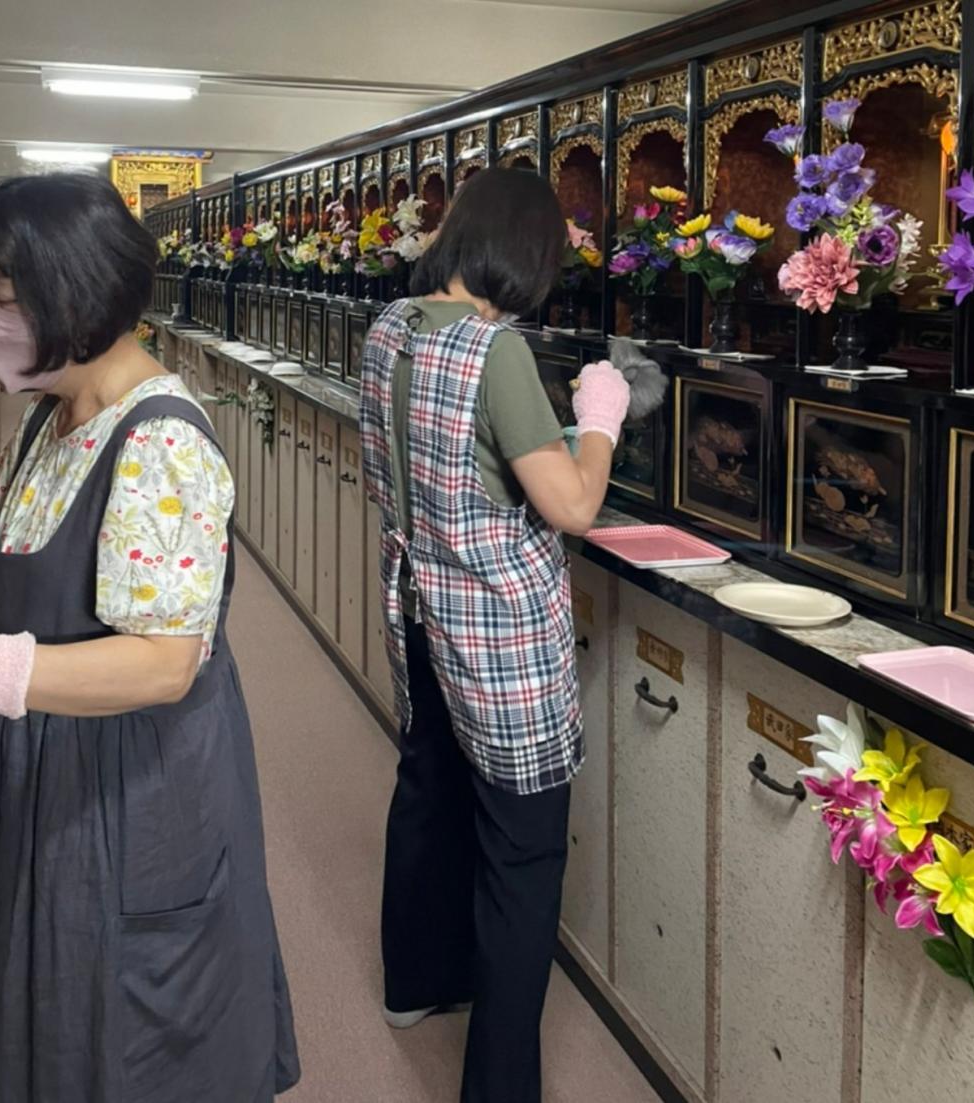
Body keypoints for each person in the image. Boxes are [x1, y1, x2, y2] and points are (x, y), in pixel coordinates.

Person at [0, 174, 299, 1103]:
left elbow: (166, 659)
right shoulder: (52, 414)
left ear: (80, 294)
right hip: (43, 762)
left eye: (6, 301)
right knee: (35, 997)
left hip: (127, 790)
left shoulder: (161, 440)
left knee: (116, 1029)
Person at [358, 166, 631, 1103]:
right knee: (523, 851)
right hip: (495, 634)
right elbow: (574, 505)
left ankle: (416, 981)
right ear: (523, 253)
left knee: (429, 782)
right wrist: (600, 416)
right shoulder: (492, 348)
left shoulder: (391, 328)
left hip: (418, 608)